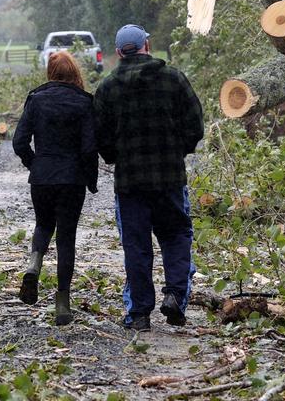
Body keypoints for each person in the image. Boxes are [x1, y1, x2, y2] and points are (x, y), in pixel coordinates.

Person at [94, 24, 203, 332]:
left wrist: (116, 156)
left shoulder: (108, 87)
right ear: (148, 45)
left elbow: (100, 137)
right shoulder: (174, 79)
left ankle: (140, 313)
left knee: (137, 245)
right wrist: (176, 150)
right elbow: (195, 126)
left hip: (130, 183)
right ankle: (175, 296)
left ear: (118, 53)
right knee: (177, 237)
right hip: (169, 177)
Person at [12, 51, 98, 325]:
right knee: (66, 238)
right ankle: (62, 303)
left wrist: (34, 164)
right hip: (72, 179)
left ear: (50, 72)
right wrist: (90, 179)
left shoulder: (36, 100)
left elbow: (19, 142)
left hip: (42, 177)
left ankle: (34, 264)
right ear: (75, 72)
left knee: (43, 224)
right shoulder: (84, 103)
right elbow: (88, 148)